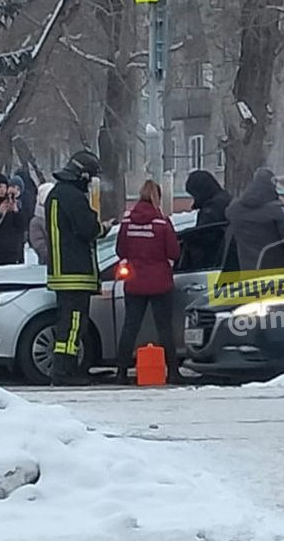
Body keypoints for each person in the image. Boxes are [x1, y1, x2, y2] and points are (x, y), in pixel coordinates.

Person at [45, 150, 111, 386]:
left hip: (61, 270)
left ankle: (64, 370)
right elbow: (87, 229)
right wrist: (103, 228)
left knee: (66, 322)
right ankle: (65, 373)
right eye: (90, 177)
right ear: (81, 175)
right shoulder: (73, 197)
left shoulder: (56, 194)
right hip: (75, 272)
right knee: (73, 324)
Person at [114, 180, 183, 384]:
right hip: (160, 282)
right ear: (157, 197)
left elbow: (120, 250)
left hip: (134, 282)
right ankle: (173, 372)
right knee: (164, 328)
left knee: (130, 327)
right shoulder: (162, 222)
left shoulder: (127, 222)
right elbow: (174, 252)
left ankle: (121, 372)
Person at [225, 168, 284, 271]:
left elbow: (228, 213)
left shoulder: (237, 210)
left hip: (249, 274)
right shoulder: (278, 210)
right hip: (278, 275)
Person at [28, 181, 54, 267]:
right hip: (47, 264)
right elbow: (39, 244)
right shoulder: (36, 221)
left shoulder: (57, 214)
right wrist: (51, 256)